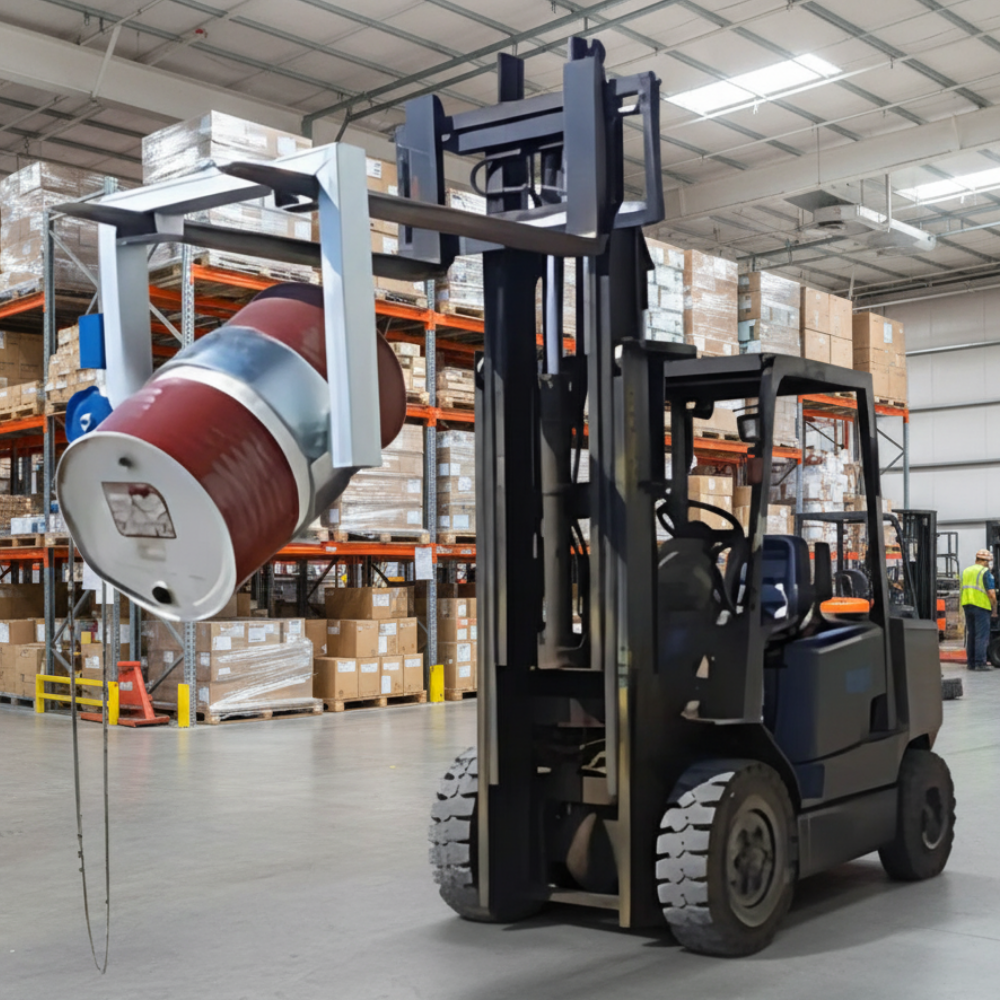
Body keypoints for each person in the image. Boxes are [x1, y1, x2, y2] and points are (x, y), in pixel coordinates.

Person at [961, 548, 997, 671]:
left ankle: (971, 663)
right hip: (981, 606)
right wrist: (995, 609)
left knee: (972, 635)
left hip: (967, 605)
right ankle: (980, 663)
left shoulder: (966, 571)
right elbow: (991, 593)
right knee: (982, 636)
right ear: (986, 561)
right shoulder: (985, 572)